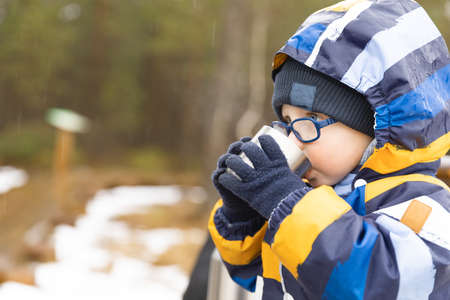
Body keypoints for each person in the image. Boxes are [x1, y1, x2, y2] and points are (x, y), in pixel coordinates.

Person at [208, 0, 450, 299]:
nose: (295, 140)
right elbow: (251, 275)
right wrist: (243, 217)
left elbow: (378, 284)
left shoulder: (424, 209)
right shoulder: (305, 198)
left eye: (313, 119)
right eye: (287, 120)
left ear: (378, 127)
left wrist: (286, 203)